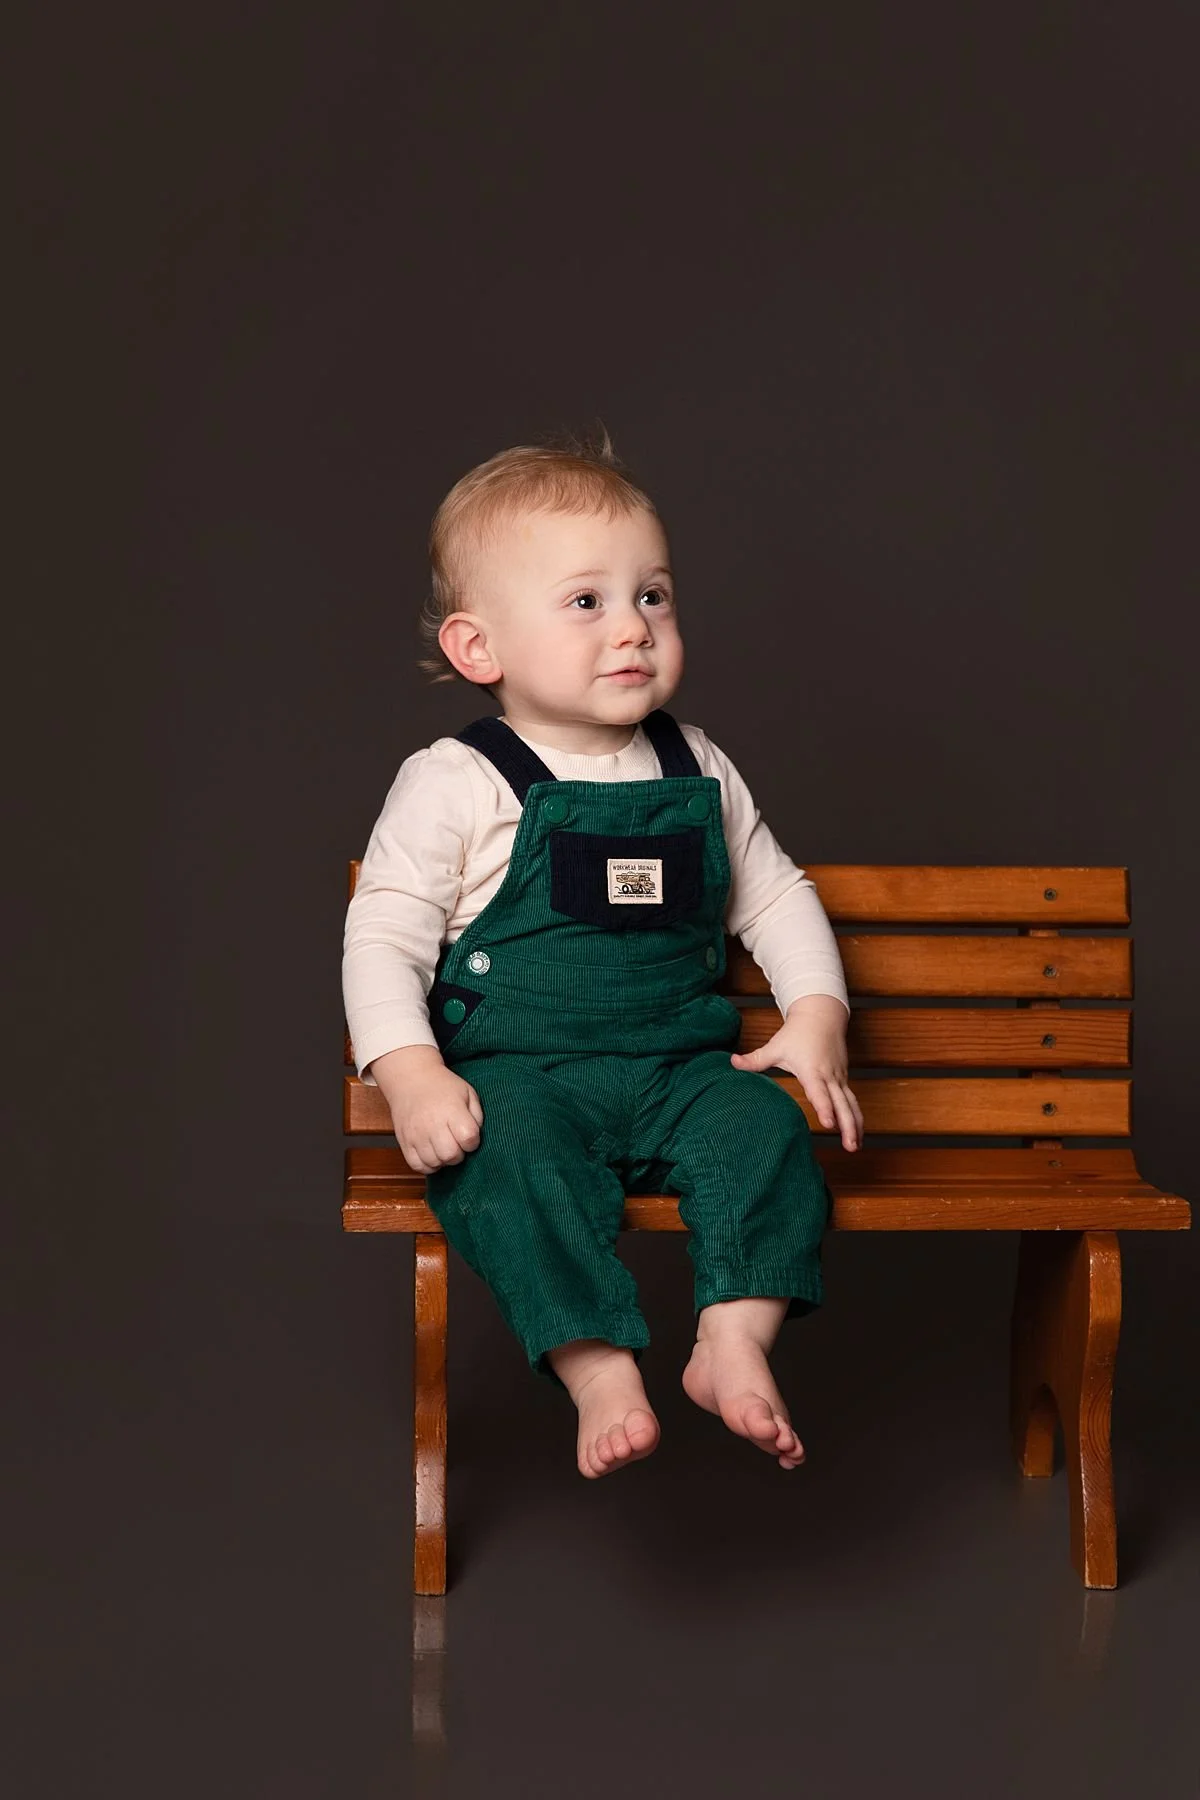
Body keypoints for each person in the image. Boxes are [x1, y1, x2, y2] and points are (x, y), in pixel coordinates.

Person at [342, 428, 864, 1482]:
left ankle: (733, 1338)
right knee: (505, 1166)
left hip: (678, 1070)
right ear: (478, 649)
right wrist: (409, 1071)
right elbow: (381, 938)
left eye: (653, 596)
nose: (632, 627)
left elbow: (775, 894)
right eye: (588, 602)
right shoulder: (458, 780)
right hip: (524, 1078)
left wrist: (817, 1015)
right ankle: (595, 1367)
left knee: (763, 1133)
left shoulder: (696, 764)